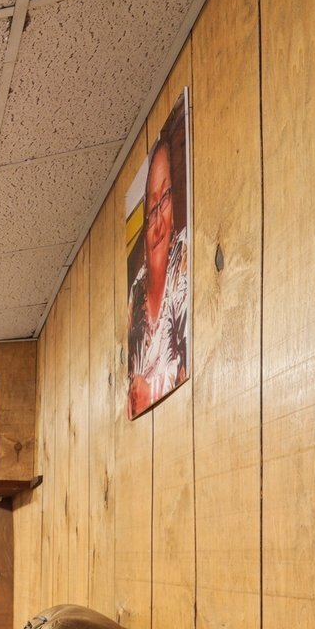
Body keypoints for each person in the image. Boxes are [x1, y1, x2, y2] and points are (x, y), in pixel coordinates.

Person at [126, 118, 190, 417]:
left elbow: (185, 362)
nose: (158, 224)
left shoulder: (182, 258)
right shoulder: (136, 291)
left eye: (165, 200)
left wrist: (149, 390)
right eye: (152, 210)